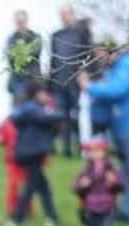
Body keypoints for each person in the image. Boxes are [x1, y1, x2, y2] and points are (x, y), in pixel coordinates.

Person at [85, 43, 129, 224]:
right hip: (122, 126)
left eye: (100, 55)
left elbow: (115, 90)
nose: (98, 60)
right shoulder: (115, 69)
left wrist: (89, 86)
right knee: (125, 170)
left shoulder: (128, 66)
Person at [6, 83, 64, 226]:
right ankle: (16, 218)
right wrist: (52, 107)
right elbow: (57, 116)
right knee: (31, 187)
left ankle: (52, 218)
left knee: (43, 187)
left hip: (28, 153)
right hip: (32, 153)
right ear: (37, 94)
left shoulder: (23, 110)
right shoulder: (35, 110)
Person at [72, 137, 123, 226]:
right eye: (92, 151)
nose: (95, 154)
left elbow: (121, 186)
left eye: (98, 150)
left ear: (104, 152)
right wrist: (82, 186)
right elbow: (75, 188)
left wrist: (114, 183)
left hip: (108, 208)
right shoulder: (85, 171)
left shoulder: (111, 169)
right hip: (91, 209)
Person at [48, 6, 92, 158]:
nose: (64, 17)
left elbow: (89, 54)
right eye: (62, 14)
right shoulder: (56, 35)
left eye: (66, 14)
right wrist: (50, 83)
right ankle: (67, 150)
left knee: (79, 117)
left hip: (76, 82)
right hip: (59, 82)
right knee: (62, 117)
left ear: (73, 14)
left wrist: (86, 75)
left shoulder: (82, 32)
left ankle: (82, 147)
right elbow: (53, 60)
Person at [4, 10, 43, 99]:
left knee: (35, 110)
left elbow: (36, 53)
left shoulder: (36, 37)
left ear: (26, 21)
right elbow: (11, 58)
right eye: (18, 22)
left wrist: (19, 53)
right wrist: (27, 51)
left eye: (22, 21)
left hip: (34, 82)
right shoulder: (11, 39)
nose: (20, 24)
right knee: (18, 110)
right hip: (17, 82)